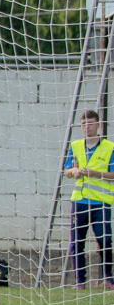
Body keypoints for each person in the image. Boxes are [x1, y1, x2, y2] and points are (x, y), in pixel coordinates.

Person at [64, 109, 114, 289]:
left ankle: (109, 277)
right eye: (84, 124)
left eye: (91, 123)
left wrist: (95, 174)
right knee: (77, 242)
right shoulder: (76, 145)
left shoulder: (109, 147)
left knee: (105, 240)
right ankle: (80, 281)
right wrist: (74, 172)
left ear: (98, 125)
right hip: (79, 201)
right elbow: (67, 170)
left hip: (101, 202)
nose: (87, 127)